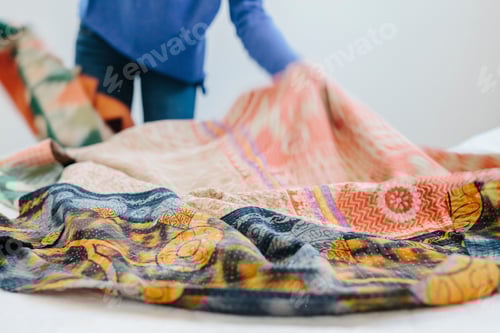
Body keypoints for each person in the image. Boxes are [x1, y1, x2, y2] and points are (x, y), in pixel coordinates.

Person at [76, 0, 299, 132]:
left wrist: (297, 74)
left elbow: (250, 16)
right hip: (102, 37)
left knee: (165, 183)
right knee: (86, 163)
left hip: (174, 64)